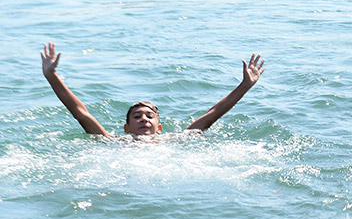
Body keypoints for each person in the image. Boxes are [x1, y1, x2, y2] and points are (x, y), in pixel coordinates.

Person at [40, 42, 265, 136]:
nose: (144, 119)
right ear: (126, 128)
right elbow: (81, 113)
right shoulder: (115, 142)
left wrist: (244, 85)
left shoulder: (177, 140)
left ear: (160, 127)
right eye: (137, 116)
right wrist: (52, 76)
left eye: (150, 116)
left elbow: (212, 114)